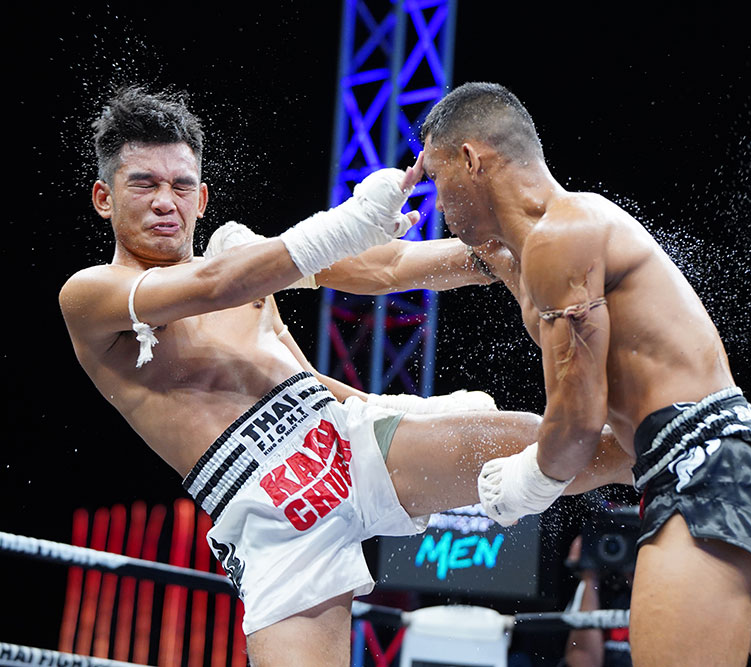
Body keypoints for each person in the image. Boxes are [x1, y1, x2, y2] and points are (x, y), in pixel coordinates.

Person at [58, 85, 635, 667]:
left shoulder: (240, 257)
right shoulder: (91, 297)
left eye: (181, 185)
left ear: (202, 197)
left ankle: (677, 453)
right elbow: (214, 286)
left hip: (347, 443)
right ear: (105, 197)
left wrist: (492, 257)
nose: (166, 202)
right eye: (144, 184)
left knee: (571, 446)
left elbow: (382, 269)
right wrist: (353, 220)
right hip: (273, 516)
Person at [415, 82, 751, 666]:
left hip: (703, 475)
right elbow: (389, 266)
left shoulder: (560, 236)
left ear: (471, 159)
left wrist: (528, 482)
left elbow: (578, 422)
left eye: (435, 175)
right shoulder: (539, 247)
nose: (434, 201)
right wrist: (344, 231)